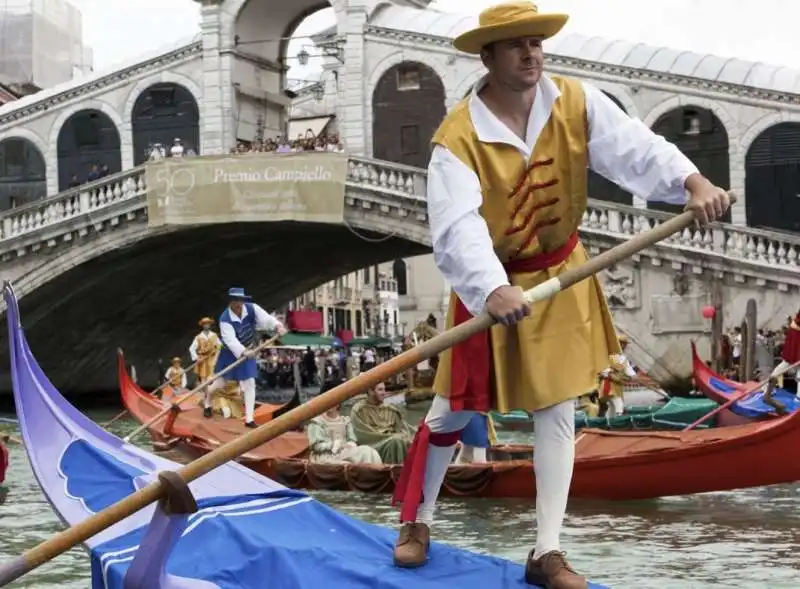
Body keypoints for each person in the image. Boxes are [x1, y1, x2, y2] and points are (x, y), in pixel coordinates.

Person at [388, 3, 731, 586]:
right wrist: (492, 288)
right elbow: (457, 227)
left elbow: (635, 148)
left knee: (557, 411)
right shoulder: (457, 138)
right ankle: (419, 519)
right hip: (492, 281)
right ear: (488, 57)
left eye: (536, 43)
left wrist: (691, 181)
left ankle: (546, 551)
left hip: (562, 274)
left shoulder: (575, 101)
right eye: (517, 45)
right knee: (453, 410)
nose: (532, 54)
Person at [203, 287, 285, 428]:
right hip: (230, 353)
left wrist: (278, 326)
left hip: (249, 350)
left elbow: (267, 320)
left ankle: (249, 419)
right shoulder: (225, 318)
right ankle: (207, 402)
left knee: (250, 383)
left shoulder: (252, 309)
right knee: (219, 384)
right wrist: (242, 352)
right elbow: (230, 340)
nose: (238, 304)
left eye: (240, 300)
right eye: (235, 300)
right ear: (230, 301)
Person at [307, 382, 383, 464]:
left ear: (339, 402)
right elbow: (316, 445)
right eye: (327, 401)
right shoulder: (317, 422)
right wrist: (333, 445)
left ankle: (375, 473)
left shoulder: (345, 421)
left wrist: (350, 444)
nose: (330, 404)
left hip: (344, 453)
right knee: (348, 463)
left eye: (333, 400)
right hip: (325, 457)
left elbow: (352, 439)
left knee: (368, 450)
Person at [350, 382, 414, 463]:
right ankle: (395, 473)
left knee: (410, 441)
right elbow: (364, 435)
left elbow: (403, 428)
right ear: (370, 391)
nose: (384, 393)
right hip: (374, 444)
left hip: (395, 440)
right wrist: (391, 437)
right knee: (396, 441)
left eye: (384, 389)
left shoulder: (390, 409)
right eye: (380, 390)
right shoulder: (359, 410)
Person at [189, 317, 222, 385]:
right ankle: (205, 394)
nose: (206, 325)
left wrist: (217, 353)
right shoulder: (198, 337)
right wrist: (196, 358)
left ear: (210, 325)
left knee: (213, 377)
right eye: (204, 324)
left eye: (208, 324)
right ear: (202, 325)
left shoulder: (214, 335)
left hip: (212, 358)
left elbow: (220, 346)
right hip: (203, 359)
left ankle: (212, 392)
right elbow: (191, 348)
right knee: (203, 378)